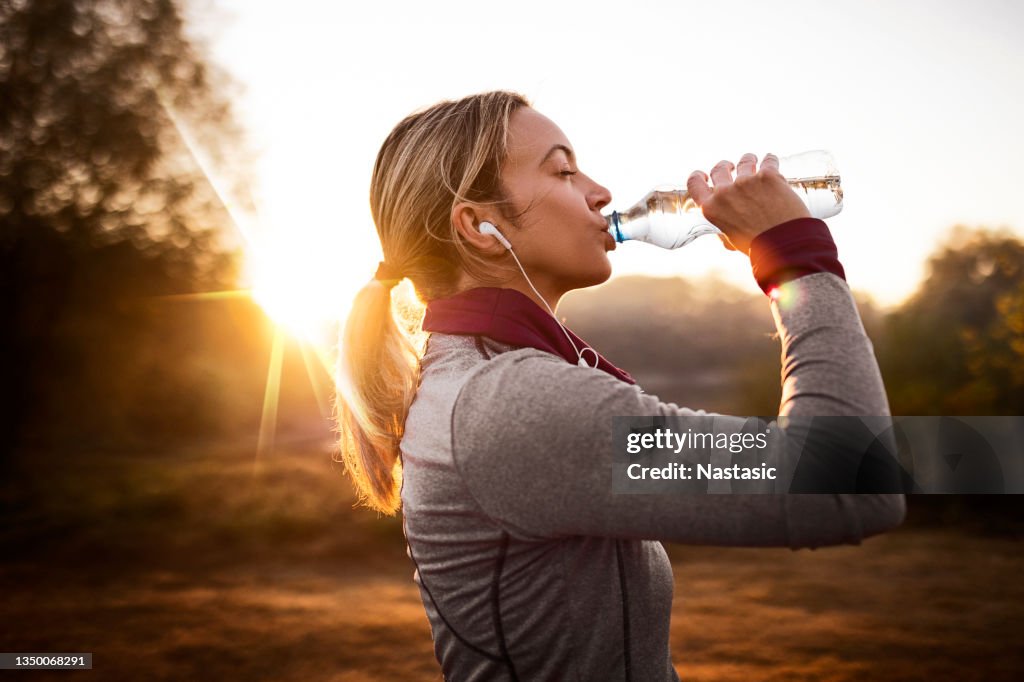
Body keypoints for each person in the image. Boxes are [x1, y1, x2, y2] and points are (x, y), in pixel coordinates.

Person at [334, 90, 905, 682]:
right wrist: (794, 252)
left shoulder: (490, 381)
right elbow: (847, 481)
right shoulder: (510, 403)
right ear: (481, 226)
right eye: (562, 169)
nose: (600, 191)